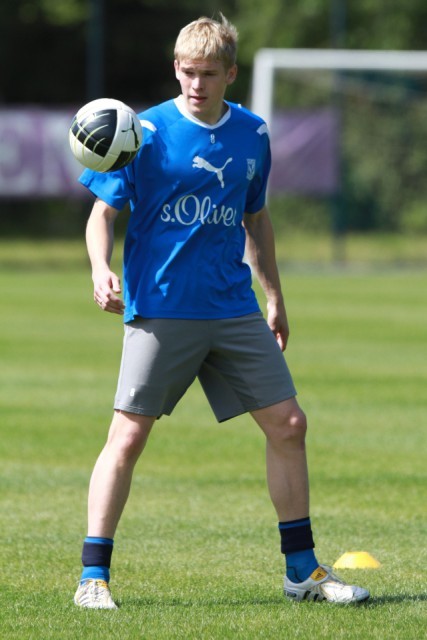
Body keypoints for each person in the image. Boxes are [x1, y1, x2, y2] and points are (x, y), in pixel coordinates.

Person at [73, 14, 369, 609]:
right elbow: (102, 213)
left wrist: (275, 295)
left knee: (289, 425)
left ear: (231, 74)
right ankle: (93, 577)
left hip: (233, 308)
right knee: (127, 436)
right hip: (162, 308)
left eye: (209, 73)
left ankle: (302, 571)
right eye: (187, 72)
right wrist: (100, 268)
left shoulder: (253, 133)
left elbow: (256, 217)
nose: (196, 84)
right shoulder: (143, 132)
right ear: (175, 68)